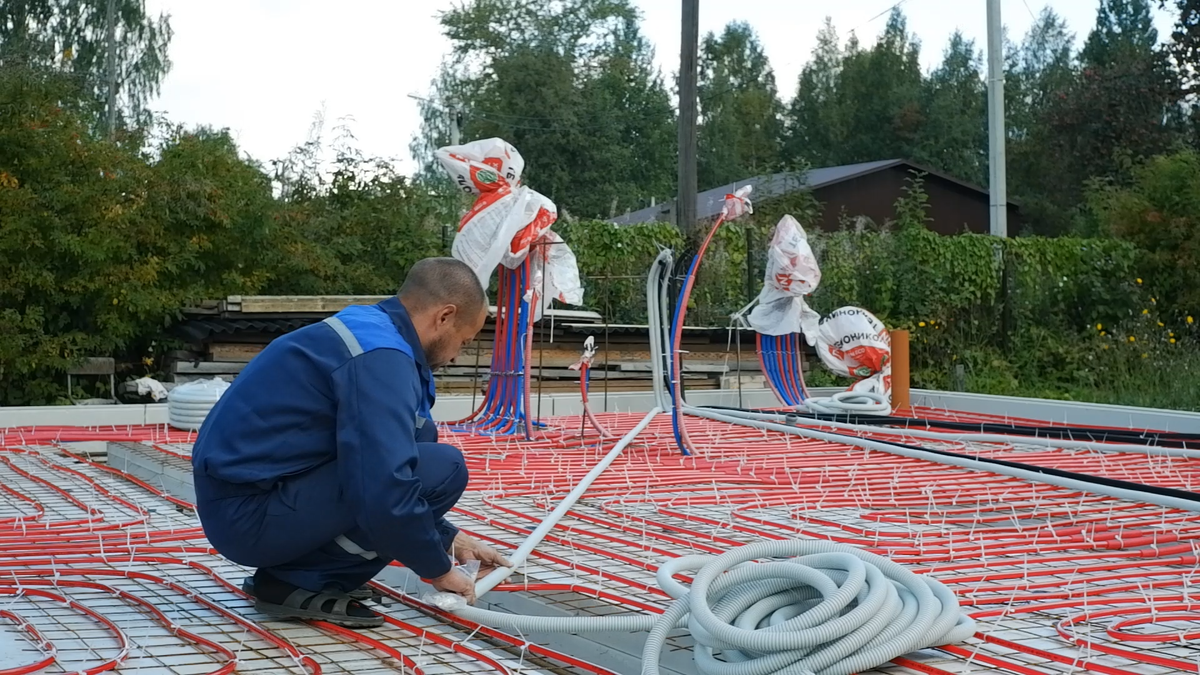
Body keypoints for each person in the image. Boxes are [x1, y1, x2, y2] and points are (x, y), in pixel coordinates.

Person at [191, 257, 511, 628]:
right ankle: (295, 582)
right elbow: (383, 484)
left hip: (246, 502)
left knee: (419, 438)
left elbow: (376, 460)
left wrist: (448, 538)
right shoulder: (382, 358)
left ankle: (304, 571)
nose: (457, 355)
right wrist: (439, 570)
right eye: (464, 340)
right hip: (248, 516)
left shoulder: (370, 330)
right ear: (444, 316)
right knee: (443, 468)